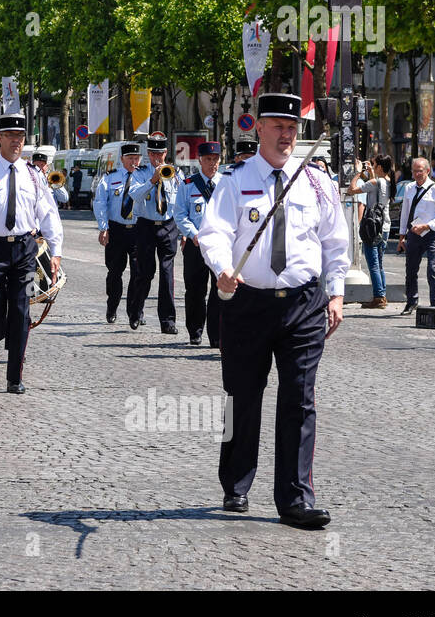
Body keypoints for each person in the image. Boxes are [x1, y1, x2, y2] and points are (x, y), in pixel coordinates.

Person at [198, 93, 350, 529]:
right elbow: (214, 232)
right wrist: (223, 270)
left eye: (292, 128)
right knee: (242, 398)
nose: (286, 136)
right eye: (278, 127)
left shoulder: (316, 182)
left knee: (300, 400)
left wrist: (335, 294)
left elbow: (335, 241)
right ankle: (236, 482)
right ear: (259, 128)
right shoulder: (234, 179)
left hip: (303, 304)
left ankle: (296, 497)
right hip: (248, 302)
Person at [0, 113, 63, 393]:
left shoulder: (34, 176)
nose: (16, 142)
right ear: (0, 139)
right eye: (10, 137)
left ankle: (14, 376)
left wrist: (56, 251)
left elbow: (49, 214)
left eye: (20, 137)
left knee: (21, 311)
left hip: (25, 249)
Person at [173, 142, 223, 347]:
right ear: (200, 160)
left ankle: (216, 334)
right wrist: (192, 234)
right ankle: (195, 331)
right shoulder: (188, 185)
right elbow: (180, 214)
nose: (212, 164)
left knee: (219, 290)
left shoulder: (226, 183)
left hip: (220, 244)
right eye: (208, 160)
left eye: (216, 160)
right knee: (195, 289)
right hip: (196, 244)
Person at [129, 134, 181, 335]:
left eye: (160, 153)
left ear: (166, 153)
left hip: (168, 225)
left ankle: (168, 321)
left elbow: (179, 201)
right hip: (146, 225)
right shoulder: (139, 173)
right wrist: (152, 180)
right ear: (148, 154)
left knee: (167, 273)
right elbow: (135, 195)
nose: (157, 158)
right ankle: (136, 311)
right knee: (145, 272)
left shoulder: (175, 173)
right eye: (153, 154)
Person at [94, 143, 145, 325]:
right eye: (130, 158)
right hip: (116, 229)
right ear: (122, 159)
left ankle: (135, 311)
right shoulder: (110, 178)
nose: (134, 161)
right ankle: (112, 306)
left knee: (138, 272)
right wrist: (103, 227)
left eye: (136, 158)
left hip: (139, 230)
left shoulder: (146, 176)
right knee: (115, 271)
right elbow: (100, 202)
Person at [397, 157, 435, 313]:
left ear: (427, 171)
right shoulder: (409, 188)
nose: (416, 174)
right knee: (411, 269)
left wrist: (427, 226)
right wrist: (401, 236)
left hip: (432, 234)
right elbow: (404, 214)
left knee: (433, 268)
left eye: (420, 170)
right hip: (413, 234)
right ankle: (411, 301)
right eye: (414, 171)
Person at [349, 155, 393, 309]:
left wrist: (357, 173)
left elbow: (351, 190)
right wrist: (368, 173)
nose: (372, 167)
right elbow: (376, 186)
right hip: (384, 226)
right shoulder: (387, 181)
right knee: (379, 263)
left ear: (380, 167)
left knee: (373, 263)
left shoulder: (374, 182)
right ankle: (382, 294)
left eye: (374, 165)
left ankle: (379, 297)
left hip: (372, 227)